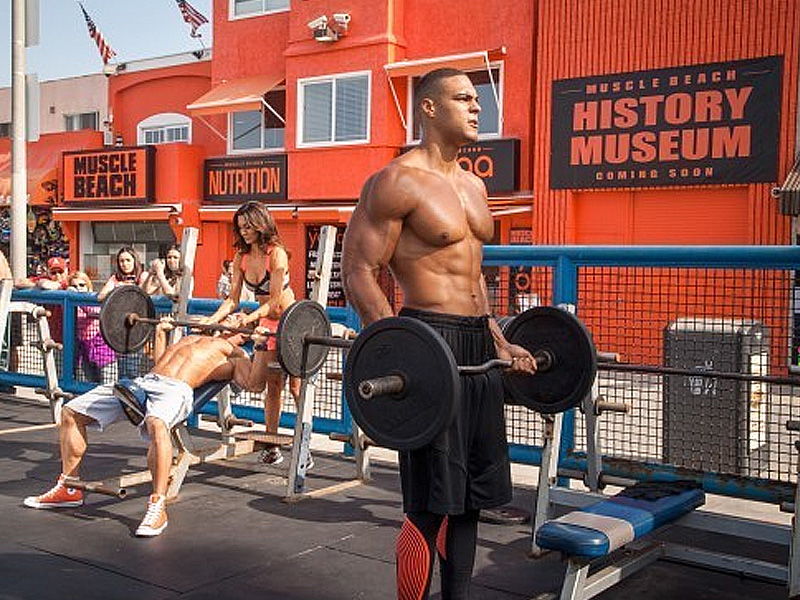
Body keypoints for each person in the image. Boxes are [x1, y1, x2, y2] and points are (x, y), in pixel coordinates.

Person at [340, 68, 536, 600]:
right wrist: (396, 350)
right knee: (428, 505)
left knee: (469, 500)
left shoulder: (474, 185)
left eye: (478, 98)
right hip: (428, 341)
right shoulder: (396, 181)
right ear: (429, 108)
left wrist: (500, 341)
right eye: (463, 98)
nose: (477, 107)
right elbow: (358, 270)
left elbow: (473, 278)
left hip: (475, 343)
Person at [23, 315, 274, 537]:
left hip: (176, 390)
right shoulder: (191, 338)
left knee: (156, 423)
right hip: (145, 382)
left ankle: (157, 506)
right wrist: (160, 333)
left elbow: (255, 385)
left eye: (237, 318)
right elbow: (158, 362)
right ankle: (69, 488)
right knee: (71, 412)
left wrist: (261, 346)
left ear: (245, 333)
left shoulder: (235, 354)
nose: (230, 318)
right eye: (229, 316)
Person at [202, 201, 302, 467]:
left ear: (261, 225)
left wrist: (247, 318)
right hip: (265, 324)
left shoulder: (276, 254)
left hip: (291, 323)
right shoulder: (241, 258)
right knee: (270, 385)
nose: (244, 232)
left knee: (296, 388)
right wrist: (212, 321)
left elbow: (275, 300)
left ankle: (304, 447)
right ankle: (272, 446)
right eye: (240, 227)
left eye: (248, 226)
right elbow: (232, 300)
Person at [97, 247, 148, 379]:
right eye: (121, 261)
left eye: (128, 260)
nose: (125, 264)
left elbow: (144, 293)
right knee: (120, 367)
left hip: (137, 328)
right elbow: (101, 296)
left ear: (134, 261)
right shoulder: (116, 278)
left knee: (132, 368)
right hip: (119, 328)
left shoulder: (142, 276)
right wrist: (118, 289)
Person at [69, 271, 117, 384]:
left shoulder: (95, 298)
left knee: (108, 386)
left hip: (102, 348)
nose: (78, 288)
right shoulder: (70, 302)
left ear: (88, 286)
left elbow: (96, 312)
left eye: (81, 285)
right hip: (83, 349)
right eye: (74, 286)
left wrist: (79, 299)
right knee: (84, 385)